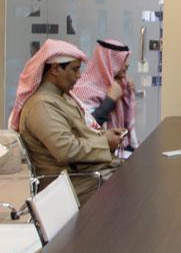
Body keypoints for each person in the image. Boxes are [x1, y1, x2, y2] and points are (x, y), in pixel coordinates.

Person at [11, 39, 124, 204]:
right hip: (73, 184)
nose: (79, 75)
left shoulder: (61, 97)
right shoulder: (41, 105)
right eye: (75, 69)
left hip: (85, 174)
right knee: (133, 187)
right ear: (55, 69)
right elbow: (66, 150)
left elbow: (78, 134)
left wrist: (103, 135)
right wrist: (104, 143)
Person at [73, 39, 138, 150]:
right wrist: (110, 100)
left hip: (116, 149)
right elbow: (85, 128)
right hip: (95, 152)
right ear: (108, 62)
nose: (127, 64)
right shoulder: (83, 88)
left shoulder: (118, 84)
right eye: (123, 60)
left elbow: (126, 124)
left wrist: (127, 94)